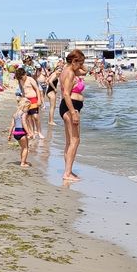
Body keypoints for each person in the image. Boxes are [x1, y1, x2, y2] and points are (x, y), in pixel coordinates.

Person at [59, 49, 87, 181]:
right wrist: (73, 113)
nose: (82, 65)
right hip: (70, 108)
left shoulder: (67, 69)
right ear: (74, 61)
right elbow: (66, 94)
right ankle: (67, 173)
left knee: (70, 141)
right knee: (75, 140)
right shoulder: (69, 73)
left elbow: (85, 71)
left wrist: (80, 62)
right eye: (80, 62)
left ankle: (68, 171)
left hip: (69, 107)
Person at [8, 98, 31, 167]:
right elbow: (24, 123)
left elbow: (12, 125)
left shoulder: (15, 114)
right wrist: (29, 132)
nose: (28, 109)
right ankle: (23, 163)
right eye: (28, 108)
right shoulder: (24, 113)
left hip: (16, 133)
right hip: (21, 132)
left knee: (23, 148)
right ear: (24, 106)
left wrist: (9, 135)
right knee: (26, 148)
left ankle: (23, 161)